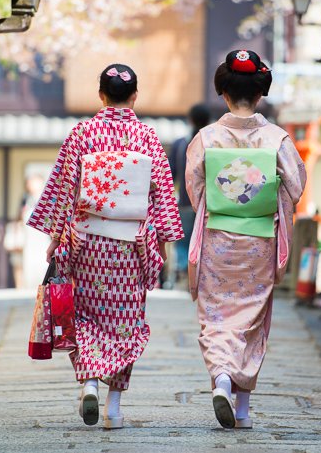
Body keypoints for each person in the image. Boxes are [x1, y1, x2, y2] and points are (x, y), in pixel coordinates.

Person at [27, 63, 184, 429]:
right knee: (125, 322)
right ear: (135, 97)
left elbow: (65, 192)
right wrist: (160, 246)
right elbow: (162, 196)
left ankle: (89, 383)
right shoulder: (147, 137)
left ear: (101, 95)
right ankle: (113, 408)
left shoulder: (81, 134)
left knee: (83, 316)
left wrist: (55, 240)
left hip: (86, 241)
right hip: (130, 246)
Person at [185, 50, 306, 429]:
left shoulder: (207, 137)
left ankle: (221, 377)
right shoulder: (277, 139)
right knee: (252, 318)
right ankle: (242, 410)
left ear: (223, 92)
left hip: (218, 240)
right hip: (259, 242)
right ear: (260, 93)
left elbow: (194, 187)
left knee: (217, 316)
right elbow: (297, 185)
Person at [168, 104, 211, 280]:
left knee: (184, 239)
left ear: (190, 119)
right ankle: (199, 274)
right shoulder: (212, 143)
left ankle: (183, 272)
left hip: (185, 202)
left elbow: (171, 174)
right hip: (209, 203)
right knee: (204, 240)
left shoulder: (180, 143)